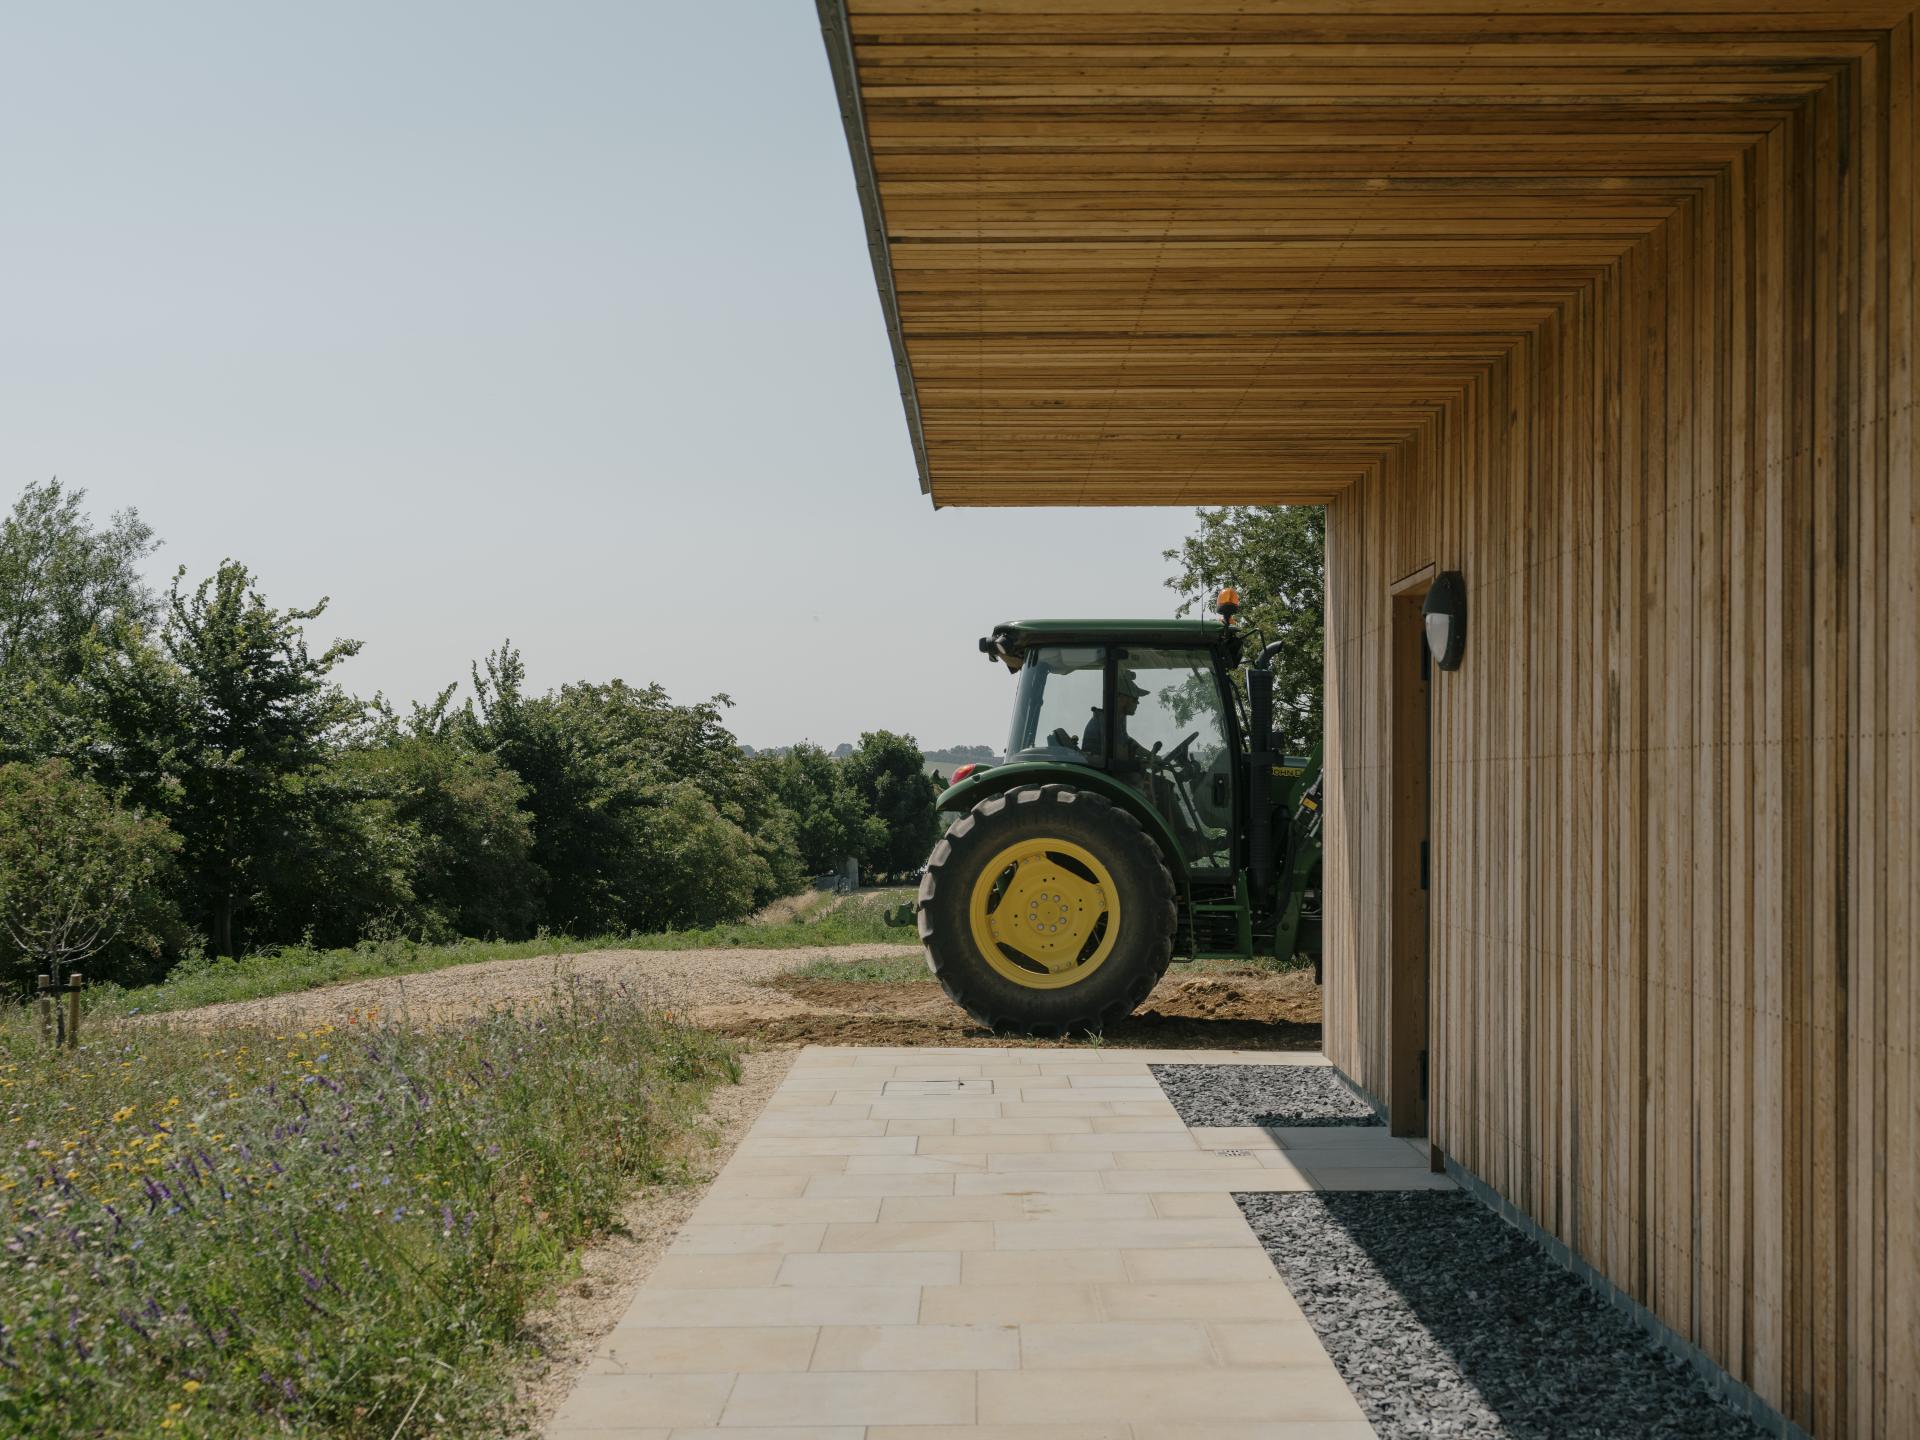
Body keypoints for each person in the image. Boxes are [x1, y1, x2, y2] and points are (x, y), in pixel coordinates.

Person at [1083, 669, 1151, 765]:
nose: (1138, 703)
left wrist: (1150, 755)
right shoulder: (1106, 720)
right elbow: (1119, 755)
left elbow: (1128, 742)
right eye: (1135, 699)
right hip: (1101, 772)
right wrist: (1141, 764)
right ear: (1122, 698)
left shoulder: (1118, 719)